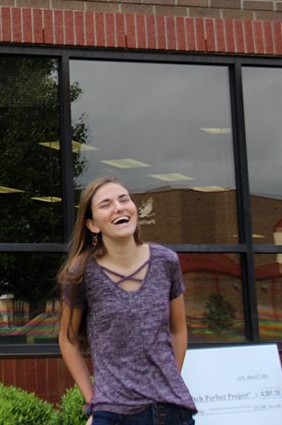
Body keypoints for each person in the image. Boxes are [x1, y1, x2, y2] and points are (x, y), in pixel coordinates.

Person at [57, 176, 196, 425]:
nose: (119, 207)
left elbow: (178, 329)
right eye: (106, 204)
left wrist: (168, 380)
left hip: (170, 411)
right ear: (92, 225)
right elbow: (68, 340)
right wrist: (93, 401)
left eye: (124, 199)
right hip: (113, 413)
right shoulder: (81, 274)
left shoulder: (166, 262)